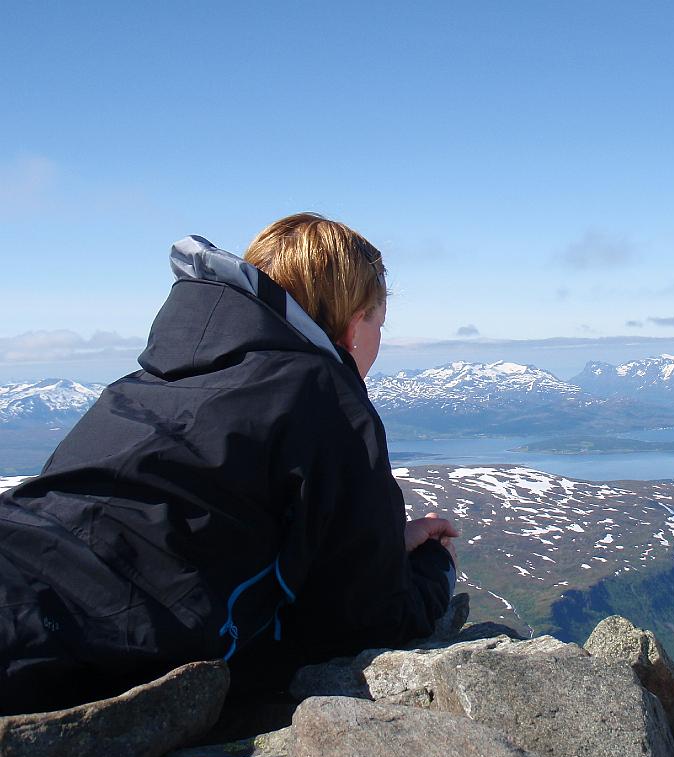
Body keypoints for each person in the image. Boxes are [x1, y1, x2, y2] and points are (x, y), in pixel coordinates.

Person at [0, 213, 458, 715]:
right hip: (67, 639)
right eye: (378, 322)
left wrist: (382, 548)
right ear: (353, 325)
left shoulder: (140, 385)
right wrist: (431, 571)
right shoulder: (326, 395)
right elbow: (361, 622)